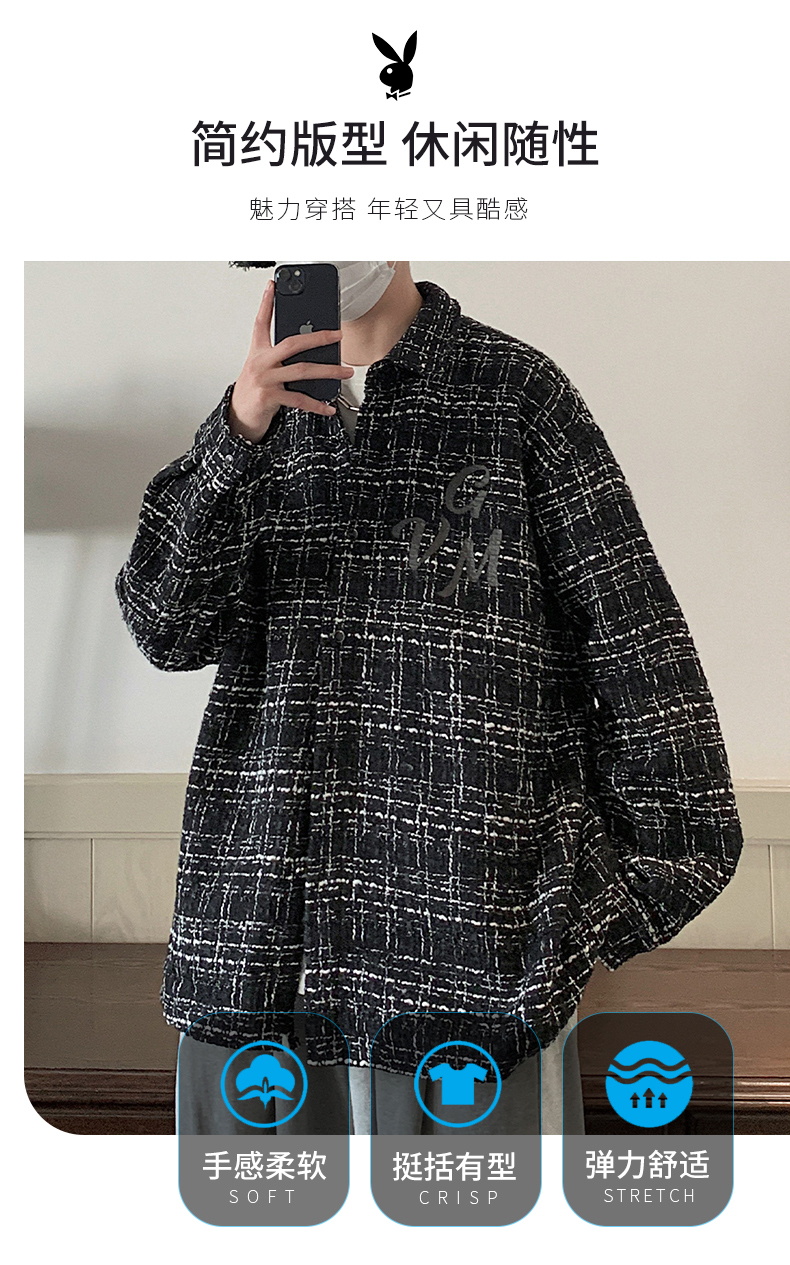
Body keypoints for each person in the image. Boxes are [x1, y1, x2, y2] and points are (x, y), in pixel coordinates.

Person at [116, 261, 743, 1136]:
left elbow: (652, 686)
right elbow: (164, 628)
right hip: (255, 970)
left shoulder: (516, 397)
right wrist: (238, 431)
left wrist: (559, 927)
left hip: (467, 990)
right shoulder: (255, 429)